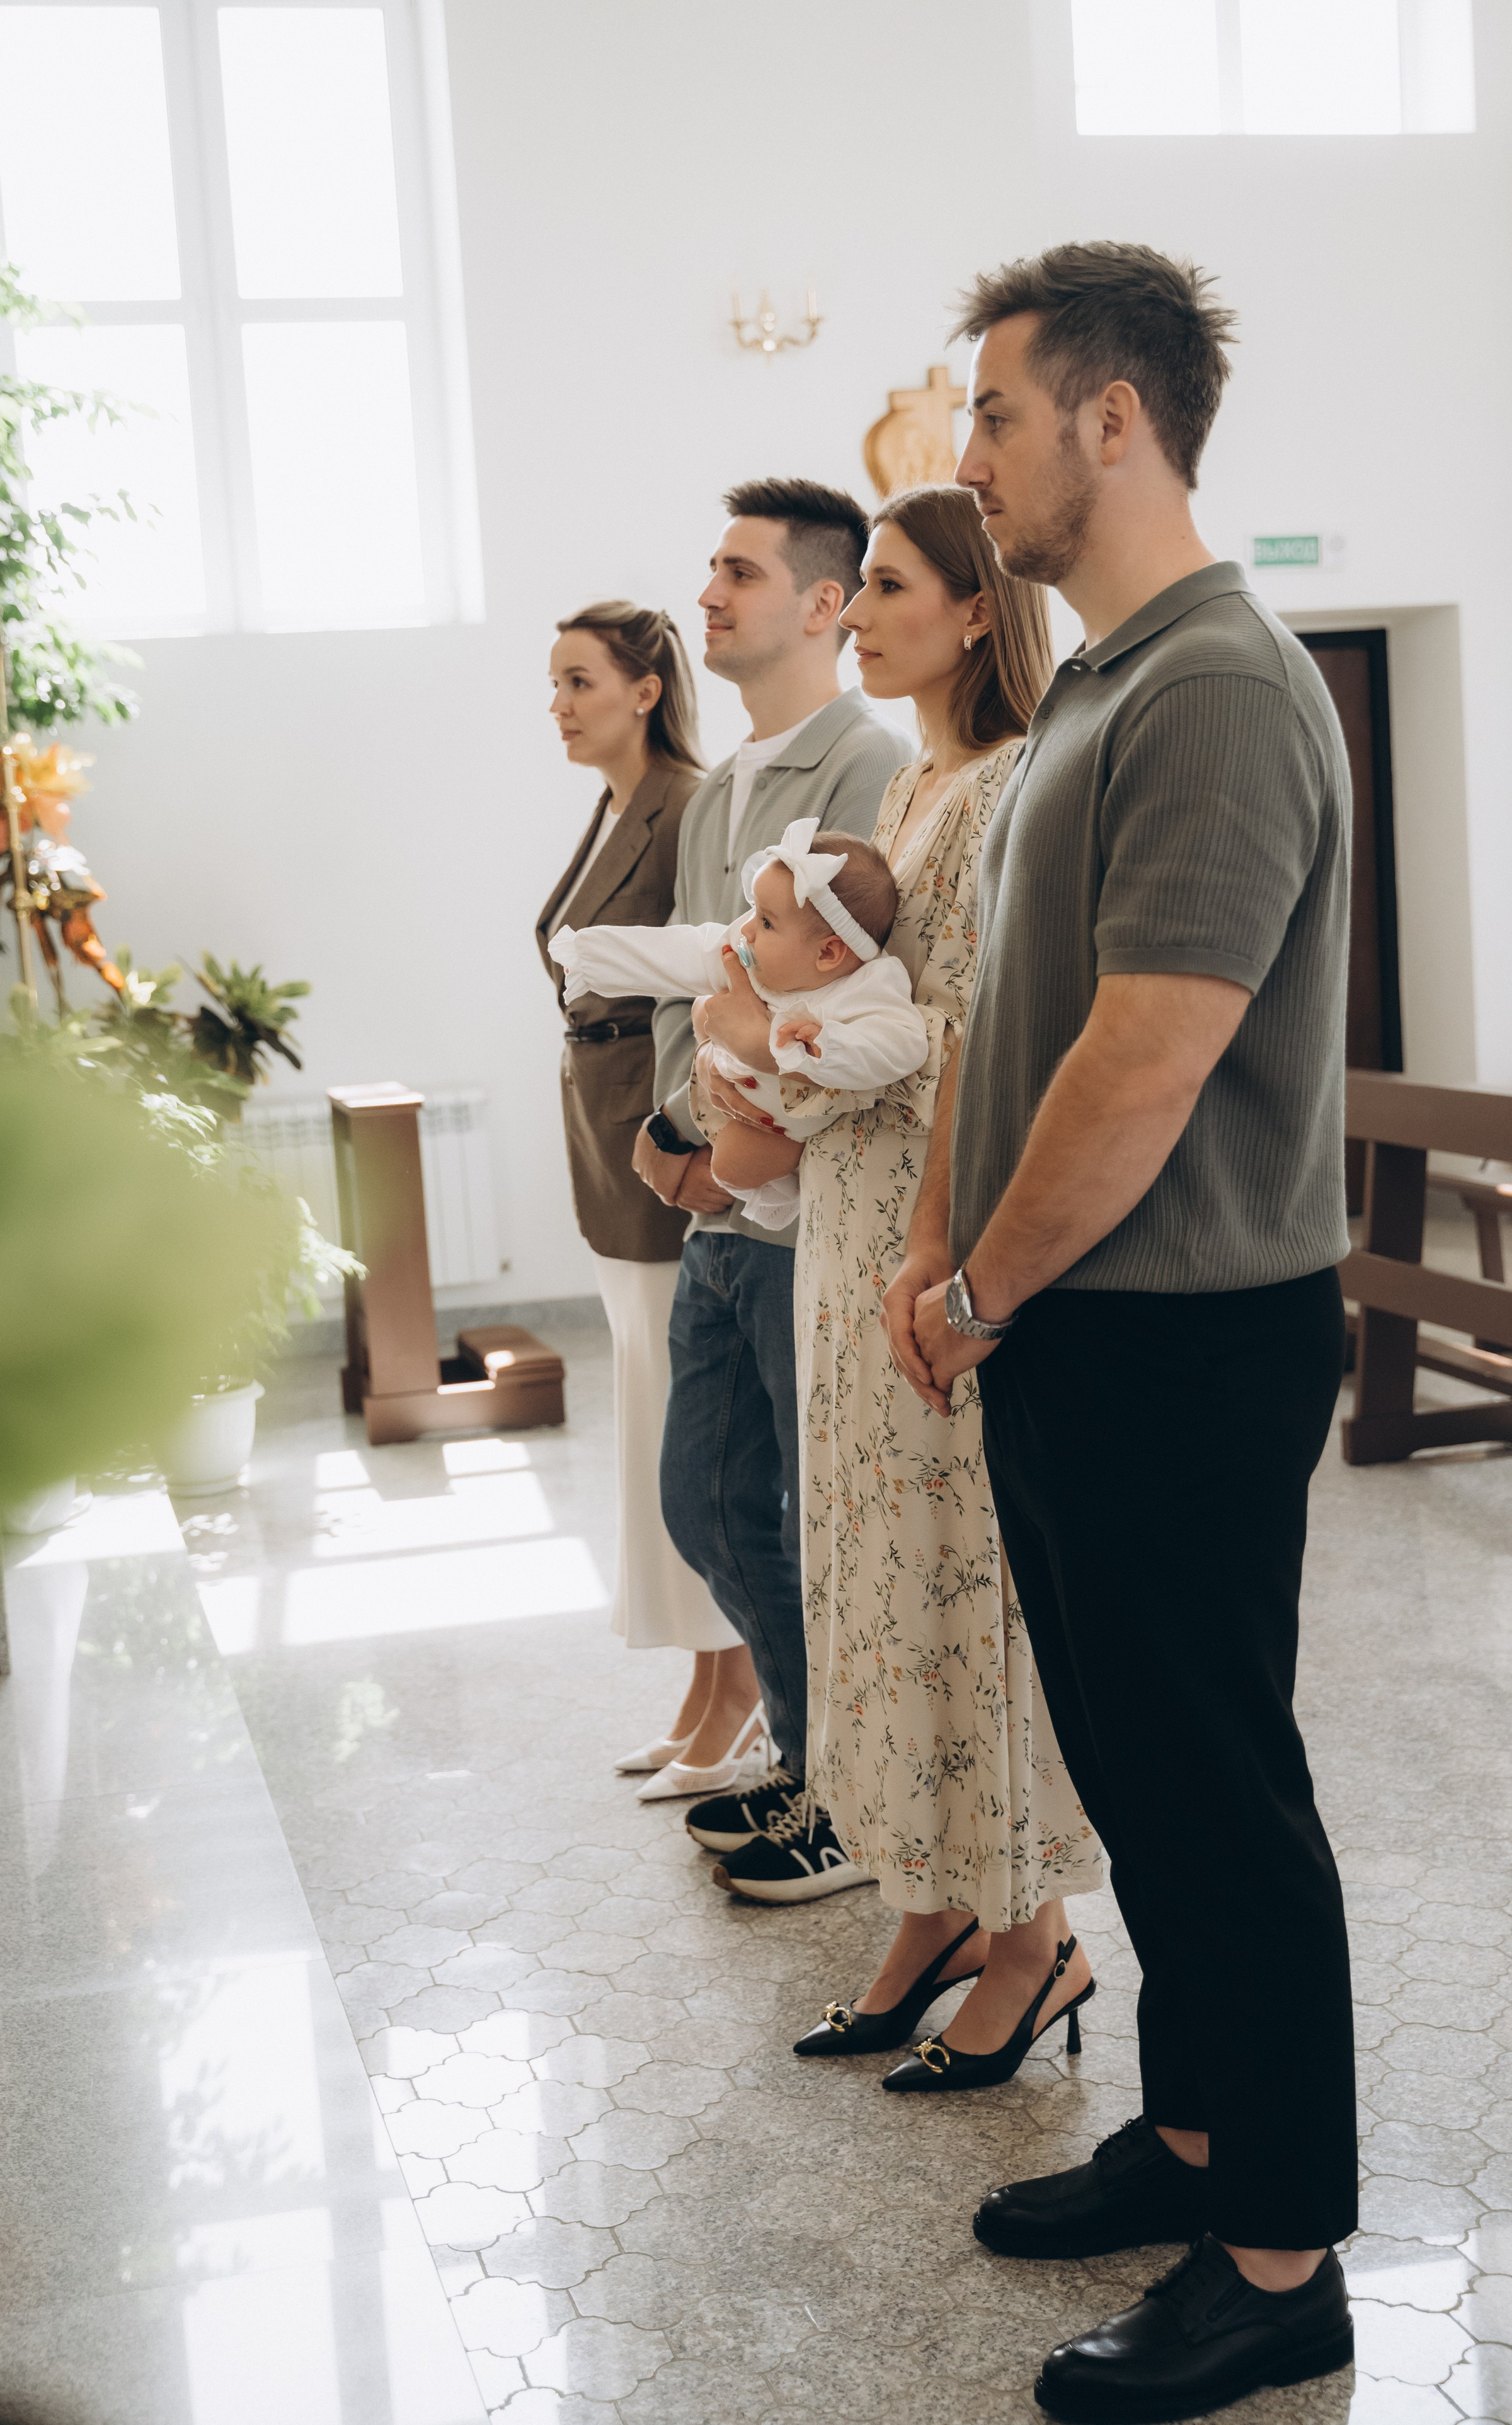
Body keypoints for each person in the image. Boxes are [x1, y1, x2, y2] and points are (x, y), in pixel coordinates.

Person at [888, 243, 1356, 2419]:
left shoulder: (1221, 684)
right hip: (1078, 1325)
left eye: (992, 414)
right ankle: (1186, 2138)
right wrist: (946, 1248)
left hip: (1180, 1330)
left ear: (1111, 417)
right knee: (1144, 1783)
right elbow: (1008, 1012)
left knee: (1216, 1792)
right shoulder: (1095, 683)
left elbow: (1151, 1053)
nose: (967, 456)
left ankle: (1277, 2260)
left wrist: (984, 1281)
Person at [700, 484, 1107, 2094]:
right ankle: (925, 1908)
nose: (856, 614)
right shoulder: (911, 776)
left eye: (884, 586)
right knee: (871, 1576)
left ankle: (1031, 1938)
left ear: (973, 607)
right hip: (844, 1226)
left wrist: (786, 1053)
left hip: (930, 1234)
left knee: (959, 1589)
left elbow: (987, 1029)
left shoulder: (1008, 780)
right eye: (856, 585)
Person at [631, 478, 914, 1840]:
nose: (707, 594)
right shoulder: (713, 798)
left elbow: (850, 1005)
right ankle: (808, 1756)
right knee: (704, 1500)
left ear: (821, 603)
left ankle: (834, 1789)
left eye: (738, 572)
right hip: (713, 1205)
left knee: (811, 1519)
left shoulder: (871, 768)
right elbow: (692, 989)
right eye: (711, 568)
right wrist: (671, 1137)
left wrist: (732, 1152)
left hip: (799, 1215)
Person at [535, 601, 752, 1786]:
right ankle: (706, 1681)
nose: (559, 706)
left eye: (580, 681)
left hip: (655, 1142)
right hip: (603, 1140)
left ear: (646, 689)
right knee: (651, 1416)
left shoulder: (687, 803)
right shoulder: (617, 806)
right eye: (556, 684)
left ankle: (741, 1685)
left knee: (689, 1432)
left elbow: (714, 972)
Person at [552, 819, 922, 1229]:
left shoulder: (871, 986)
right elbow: (680, 952)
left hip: (778, 1125)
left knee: (730, 1167)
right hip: (726, 1077)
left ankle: (779, 1189)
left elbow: (905, 1042)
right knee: (704, 1008)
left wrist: (829, 1046)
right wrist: (591, 958)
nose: (747, 928)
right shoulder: (751, 952)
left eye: (767, 922)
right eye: (754, 912)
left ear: (828, 953)